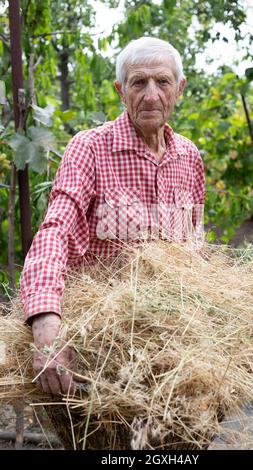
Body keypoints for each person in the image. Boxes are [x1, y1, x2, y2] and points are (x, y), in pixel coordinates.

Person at [20, 37, 206, 395]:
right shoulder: (90, 148)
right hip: (103, 355)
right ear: (121, 90)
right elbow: (56, 230)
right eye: (139, 83)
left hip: (174, 354)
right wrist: (45, 324)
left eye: (162, 82)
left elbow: (194, 248)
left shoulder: (189, 157)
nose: (151, 95)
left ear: (179, 89)